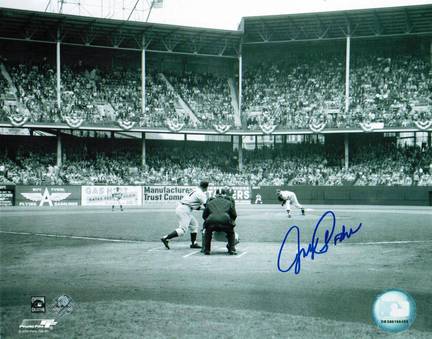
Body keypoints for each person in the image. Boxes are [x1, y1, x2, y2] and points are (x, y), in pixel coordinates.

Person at [161, 180, 209, 249]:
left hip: (183, 207)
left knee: (194, 224)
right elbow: (207, 205)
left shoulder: (195, 190)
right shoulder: (201, 194)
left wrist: (203, 209)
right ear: (206, 187)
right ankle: (165, 238)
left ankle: (193, 243)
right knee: (183, 230)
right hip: (184, 209)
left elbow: (194, 205)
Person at [202, 188, 237, 255]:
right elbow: (234, 215)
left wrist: (208, 221)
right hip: (225, 221)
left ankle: (207, 250)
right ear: (224, 195)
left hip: (211, 222)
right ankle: (232, 249)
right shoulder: (229, 202)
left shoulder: (209, 202)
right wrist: (231, 222)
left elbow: (204, 215)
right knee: (231, 233)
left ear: (216, 195)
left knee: (208, 232)